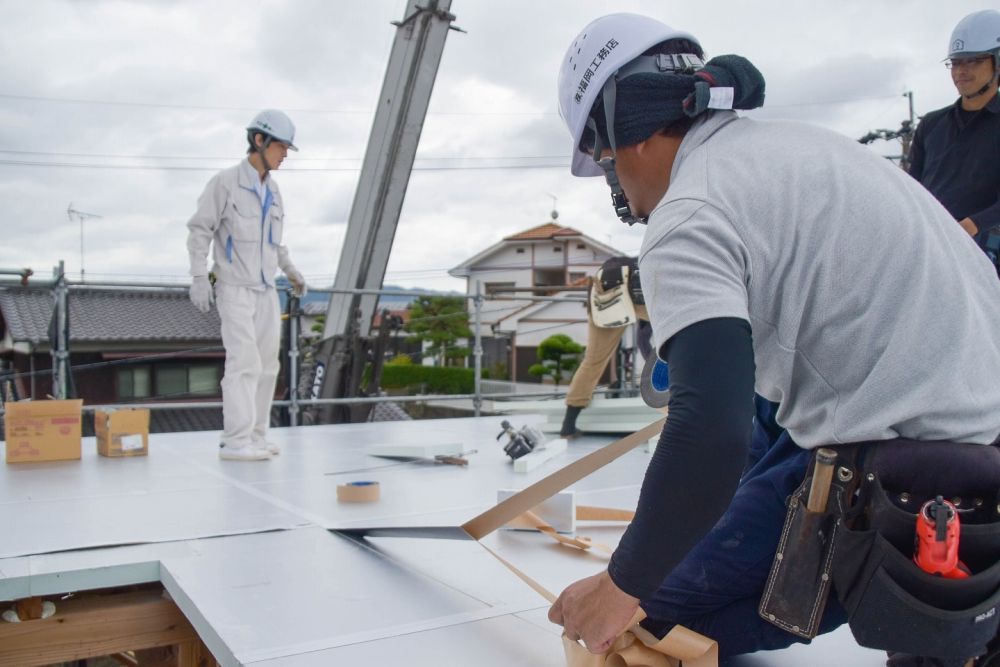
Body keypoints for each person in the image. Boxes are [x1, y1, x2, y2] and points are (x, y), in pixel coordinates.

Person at [547, 13, 1000, 665]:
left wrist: (623, 583)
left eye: (605, 163)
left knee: (658, 612)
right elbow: (755, 409)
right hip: (970, 429)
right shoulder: (795, 151)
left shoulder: (689, 214)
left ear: (623, 132)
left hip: (919, 482)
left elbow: (709, 432)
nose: (619, 187)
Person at [186, 109, 307, 461]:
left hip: (267, 289)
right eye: (281, 147)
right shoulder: (224, 183)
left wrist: (291, 271)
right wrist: (198, 276)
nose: (285, 154)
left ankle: (256, 436)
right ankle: (235, 440)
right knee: (244, 363)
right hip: (235, 288)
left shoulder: (275, 190)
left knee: (269, 365)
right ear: (260, 140)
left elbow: (275, 243)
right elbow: (200, 229)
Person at [908, 10, 1000, 264]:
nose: (961, 71)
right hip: (932, 248)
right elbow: (911, 188)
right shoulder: (931, 124)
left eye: (973, 61)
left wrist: (967, 227)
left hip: (984, 254)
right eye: (956, 62)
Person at [560, 256, 653, 438]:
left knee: (594, 360)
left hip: (604, 286)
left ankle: (568, 425)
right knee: (686, 336)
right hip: (631, 287)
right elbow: (645, 340)